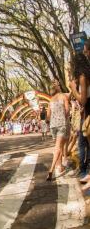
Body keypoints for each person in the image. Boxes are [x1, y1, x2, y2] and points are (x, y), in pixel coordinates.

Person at [70, 39, 90, 186]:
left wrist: (73, 89)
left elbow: (82, 100)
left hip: (87, 110)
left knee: (82, 142)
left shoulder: (83, 76)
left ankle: (84, 172)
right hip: (87, 110)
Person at [46, 80, 69, 181]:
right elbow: (67, 111)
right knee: (58, 148)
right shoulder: (64, 97)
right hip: (61, 124)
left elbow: (47, 116)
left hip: (53, 126)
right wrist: (64, 117)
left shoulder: (50, 100)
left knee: (58, 146)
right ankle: (51, 170)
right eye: (59, 85)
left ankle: (60, 166)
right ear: (58, 88)